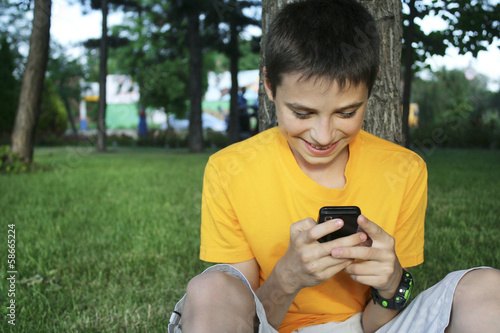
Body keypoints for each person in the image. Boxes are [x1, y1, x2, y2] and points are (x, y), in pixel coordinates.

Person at [168, 1, 500, 332]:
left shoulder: (405, 170)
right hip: (269, 326)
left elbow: (376, 324)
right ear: (269, 84)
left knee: (488, 287)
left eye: (345, 113)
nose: (323, 136)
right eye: (302, 113)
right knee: (211, 287)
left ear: (371, 87)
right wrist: (287, 278)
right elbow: (237, 313)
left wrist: (392, 286)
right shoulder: (230, 170)